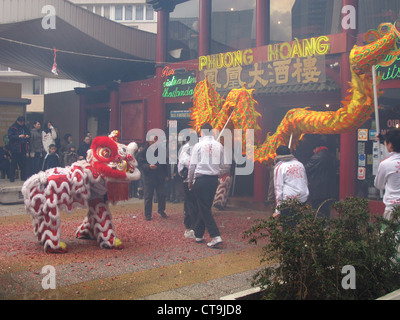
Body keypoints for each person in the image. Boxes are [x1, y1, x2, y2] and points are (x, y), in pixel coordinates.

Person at [188, 123, 230, 248]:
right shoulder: (219, 146)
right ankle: (199, 234)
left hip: (201, 179)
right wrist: (217, 172)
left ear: (201, 132)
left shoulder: (198, 145)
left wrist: (190, 180)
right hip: (213, 180)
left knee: (204, 208)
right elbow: (225, 166)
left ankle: (215, 235)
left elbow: (192, 165)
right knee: (205, 206)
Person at [273, 145, 309, 223]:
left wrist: (278, 209)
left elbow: (278, 188)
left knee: (287, 225)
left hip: (288, 200)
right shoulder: (300, 164)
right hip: (302, 198)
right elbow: (305, 181)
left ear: (278, 155)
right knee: (297, 223)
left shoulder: (280, 167)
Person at [137, 136, 168, 221]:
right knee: (148, 196)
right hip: (149, 177)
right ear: (148, 141)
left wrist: (166, 175)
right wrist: (148, 166)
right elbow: (140, 164)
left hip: (160, 177)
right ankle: (148, 214)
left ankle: (161, 210)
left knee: (162, 195)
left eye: (155, 140)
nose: (154, 142)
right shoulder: (144, 151)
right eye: (152, 140)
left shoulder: (161, 150)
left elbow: (165, 163)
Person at [305, 140, 337, 219]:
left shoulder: (316, 157)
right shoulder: (332, 156)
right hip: (329, 186)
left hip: (317, 187)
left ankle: (319, 224)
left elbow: (306, 169)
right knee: (326, 206)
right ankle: (326, 222)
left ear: (317, 148)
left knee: (317, 207)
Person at [374, 129, 400, 220]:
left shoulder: (385, 164)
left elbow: (378, 185)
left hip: (392, 208)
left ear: (390, 145)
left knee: (388, 233)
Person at [178, 137, 197, 239]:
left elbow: (181, 165)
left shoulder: (184, 150)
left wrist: (183, 175)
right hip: (199, 179)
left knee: (189, 202)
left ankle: (190, 224)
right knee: (196, 202)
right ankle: (195, 223)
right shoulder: (200, 148)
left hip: (188, 180)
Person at [8, 116, 30, 182]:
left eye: (23, 122)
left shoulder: (25, 127)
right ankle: (11, 178)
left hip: (23, 148)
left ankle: (23, 177)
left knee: (23, 164)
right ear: (18, 121)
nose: (22, 123)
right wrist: (18, 136)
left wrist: (27, 136)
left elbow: (29, 134)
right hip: (15, 149)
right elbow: (10, 137)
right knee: (13, 164)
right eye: (20, 122)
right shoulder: (13, 127)